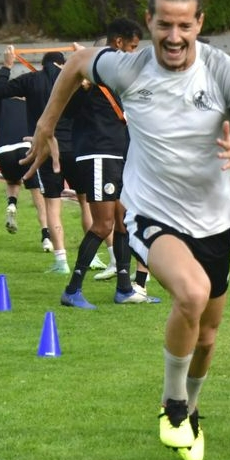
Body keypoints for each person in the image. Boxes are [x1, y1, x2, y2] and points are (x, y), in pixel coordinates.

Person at [23, 0, 230, 460]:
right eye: (165, 24)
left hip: (214, 221)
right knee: (191, 293)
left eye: (185, 25)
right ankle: (173, 405)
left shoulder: (223, 71)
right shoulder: (128, 67)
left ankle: (192, 409)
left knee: (206, 337)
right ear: (149, 23)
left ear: (199, 24)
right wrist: (45, 125)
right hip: (150, 214)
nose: (175, 35)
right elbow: (77, 62)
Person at [59, 17, 161, 309]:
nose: (134, 52)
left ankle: (125, 288)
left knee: (123, 222)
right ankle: (73, 289)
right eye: (131, 46)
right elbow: (67, 109)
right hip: (99, 154)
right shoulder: (90, 79)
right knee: (103, 224)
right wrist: (82, 83)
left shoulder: (119, 78)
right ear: (118, 43)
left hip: (120, 155)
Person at [0, 49, 107, 274]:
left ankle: (61, 261)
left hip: (46, 149)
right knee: (85, 202)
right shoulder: (73, 79)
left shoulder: (31, 79)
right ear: (61, 64)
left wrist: (7, 66)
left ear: (44, 63)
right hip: (75, 147)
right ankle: (92, 256)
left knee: (53, 205)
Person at [0, 95, 51, 249]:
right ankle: (46, 235)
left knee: (12, 181)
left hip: (2, 150)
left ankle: (12, 204)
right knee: (37, 191)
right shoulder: (30, 103)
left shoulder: (0, 101)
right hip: (25, 147)